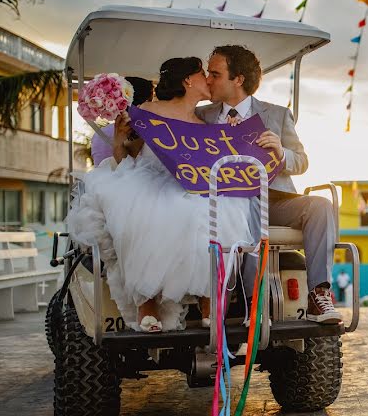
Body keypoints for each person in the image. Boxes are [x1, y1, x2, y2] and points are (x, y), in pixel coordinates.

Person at [67, 57, 254, 332]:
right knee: (147, 216)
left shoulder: (201, 122)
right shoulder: (147, 111)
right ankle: (147, 303)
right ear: (188, 80)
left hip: (191, 186)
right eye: (204, 74)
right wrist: (119, 139)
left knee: (214, 216)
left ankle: (207, 300)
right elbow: (125, 157)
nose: (208, 80)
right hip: (148, 180)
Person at [197, 44, 341, 324]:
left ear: (238, 79)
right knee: (248, 202)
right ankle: (255, 300)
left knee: (321, 205)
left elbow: (301, 162)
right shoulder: (202, 116)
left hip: (275, 200)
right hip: (225, 203)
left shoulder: (278, 115)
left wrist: (280, 151)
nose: (209, 80)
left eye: (215, 74)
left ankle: (319, 295)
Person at [89, 77, 153, 167]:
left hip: (102, 179)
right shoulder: (146, 131)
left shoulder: (99, 134)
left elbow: (98, 164)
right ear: (147, 101)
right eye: (152, 100)